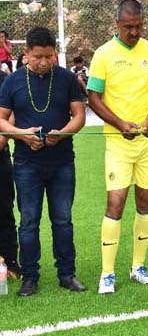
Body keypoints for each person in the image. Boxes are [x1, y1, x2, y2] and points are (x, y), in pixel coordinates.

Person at [88, 0, 148, 294]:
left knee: (145, 203)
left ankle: (138, 266)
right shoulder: (103, 54)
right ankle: (107, 273)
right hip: (118, 144)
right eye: (129, 27)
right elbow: (94, 97)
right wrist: (120, 124)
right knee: (116, 203)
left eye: (139, 27)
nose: (134, 32)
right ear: (117, 24)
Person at [0, 27, 86, 297]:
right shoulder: (12, 81)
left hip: (62, 162)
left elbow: (79, 116)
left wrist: (62, 134)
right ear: (26, 53)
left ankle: (67, 274)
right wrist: (22, 135)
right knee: (28, 221)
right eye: (38, 57)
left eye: (49, 56)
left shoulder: (66, 78)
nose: (44, 62)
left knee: (63, 220)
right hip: (27, 164)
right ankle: (30, 277)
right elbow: (1, 120)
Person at [0, 69, 20, 282]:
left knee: (4, 210)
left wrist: (1, 141)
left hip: (0, 154)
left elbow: (11, 116)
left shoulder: (3, 79)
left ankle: (10, 262)